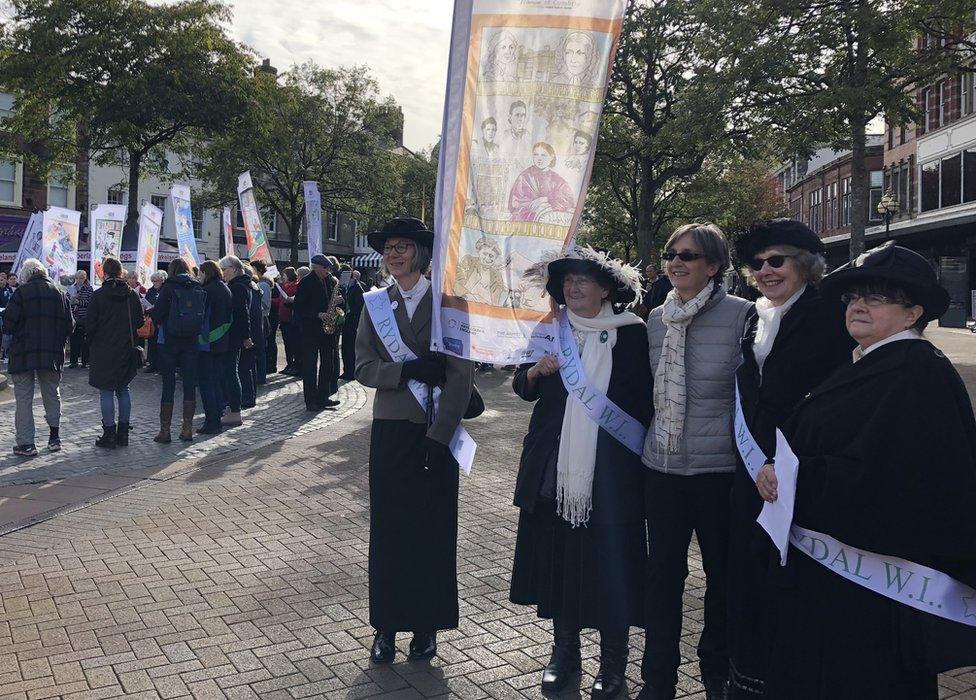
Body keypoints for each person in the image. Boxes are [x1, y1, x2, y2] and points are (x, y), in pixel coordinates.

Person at [756, 241, 976, 698]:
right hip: (836, 583)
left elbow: (898, 481)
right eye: (853, 296)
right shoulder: (869, 363)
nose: (858, 305)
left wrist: (796, 477)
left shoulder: (917, 375)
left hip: (874, 597)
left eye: (876, 297)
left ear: (913, 313)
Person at [511, 247, 651, 698]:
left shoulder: (632, 334)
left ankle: (613, 666)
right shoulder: (551, 329)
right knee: (561, 565)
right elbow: (521, 387)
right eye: (567, 281)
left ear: (607, 289)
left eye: (583, 281)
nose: (573, 287)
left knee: (611, 569)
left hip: (611, 475)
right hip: (557, 471)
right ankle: (564, 653)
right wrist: (534, 372)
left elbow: (644, 405)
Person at [725, 220, 852, 699]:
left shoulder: (827, 316)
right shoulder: (757, 316)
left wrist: (787, 460)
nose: (764, 270)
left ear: (805, 263)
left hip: (794, 467)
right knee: (751, 575)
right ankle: (751, 678)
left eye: (776, 260)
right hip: (750, 467)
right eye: (757, 264)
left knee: (790, 581)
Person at [638, 223, 752, 700]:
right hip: (662, 471)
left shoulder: (744, 316)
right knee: (662, 581)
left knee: (723, 581)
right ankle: (657, 679)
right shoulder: (655, 320)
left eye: (689, 255)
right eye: (671, 254)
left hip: (719, 475)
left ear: (714, 266)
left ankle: (716, 673)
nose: (677, 262)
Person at [355, 217, 474, 664]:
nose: (393, 254)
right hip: (390, 432)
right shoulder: (375, 304)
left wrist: (441, 435)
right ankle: (385, 626)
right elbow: (363, 367)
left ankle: (427, 626)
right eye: (388, 247)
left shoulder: (451, 305)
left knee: (433, 531)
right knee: (389, 531)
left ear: (421, 254)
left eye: (403, 246)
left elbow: (462, 379)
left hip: (435, 434)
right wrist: (403, 370)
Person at [4, 258, 74, 456]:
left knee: (24, 399)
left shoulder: (21, 293)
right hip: (51, 354)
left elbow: (8, 325)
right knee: (52, 393)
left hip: (24, 353)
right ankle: (54, 437)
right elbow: (71, 326)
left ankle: (26, 444)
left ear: (26, 276)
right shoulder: (60, 293)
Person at [85, 256, 143, 449]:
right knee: (123, 389)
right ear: (121, 273)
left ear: (106, 273)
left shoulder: (99, 295)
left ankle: (109, 433)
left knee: (106, 391)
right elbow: (139, 322)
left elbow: (90, 324)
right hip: (125, 347)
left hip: (103, 349)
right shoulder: (131, 295)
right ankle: (123, 433)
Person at [150, 258, 206, 443]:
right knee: (189, 384)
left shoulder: (168, 288)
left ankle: (165, 432)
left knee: (168, 385)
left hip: (169, 342)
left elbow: (157, 314)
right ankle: (187, 429)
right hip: (191, 341)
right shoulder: (198, 287)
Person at [294, 254, 342, 411]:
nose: (328, 271)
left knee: (328, 364)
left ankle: (323, 396)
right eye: (325, 268)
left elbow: (332, 299)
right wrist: (317, 314)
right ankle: (311, 400)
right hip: (310, 330)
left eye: (329, 268)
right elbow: (299, 308)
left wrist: (339, 301)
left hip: (327, 331)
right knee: (310, 366)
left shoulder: (330, 281)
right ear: (316, 267)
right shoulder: (306, 283)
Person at [196, 260, 233, 435]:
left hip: (207, 343)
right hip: (222, 341)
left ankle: (212, 421)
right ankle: (217, 416)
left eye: (200, 273)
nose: (198, 276)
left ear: (205, 273)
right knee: (217, 382)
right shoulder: (225, 288)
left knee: (206, 383)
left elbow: (202, 317)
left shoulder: (207, 291)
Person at [219, 255, 252, 428]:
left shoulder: (238, 287)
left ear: (233, 269)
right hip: (234, 335)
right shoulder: (240, 285)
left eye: (224, 270)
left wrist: (246, 336)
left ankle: (234, 411)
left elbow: (242, 313)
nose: (222, 273)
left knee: (231, 373)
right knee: (231, 372)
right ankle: (232, 409)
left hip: (233, 336)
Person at [509, 142, 576, 222]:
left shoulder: (557, 180)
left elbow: (568, 200)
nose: (539, 158)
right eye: (536, 154)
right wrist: (532, 204)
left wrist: (546, 199)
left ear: (551, 157)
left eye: (543, 155)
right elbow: (515, 201)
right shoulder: (524, 176)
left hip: (549, 222)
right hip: (524, 220)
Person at [238, 264, 263, 409]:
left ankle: (248, 398)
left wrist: (246, 336)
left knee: (245, 367)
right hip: (255, 332)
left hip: (250, 334)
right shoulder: (254, 287)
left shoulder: (248, 288)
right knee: (250, 367)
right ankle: (250, 396)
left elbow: (246, 313)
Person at [340, 269, 365, 380]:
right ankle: (346, 370)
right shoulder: (346, 288)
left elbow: (360, 307)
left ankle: (351, 372)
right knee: (345, 347)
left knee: (350, 348)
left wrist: (350, 313)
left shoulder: (357, 288)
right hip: (346, 321)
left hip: (352, 322)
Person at [251, 259, 273, 383]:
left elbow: (265, 304)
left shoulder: (263, 284)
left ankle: (261, 377)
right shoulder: (258, 283)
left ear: (258, 270)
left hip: (262, 319)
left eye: (252, 268)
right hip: (259, 319)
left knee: (260, 349)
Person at [66, 270, 93, 368]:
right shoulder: (71, 288)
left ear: (85, 278)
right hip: (74, 317)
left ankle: (85, 361)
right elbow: (66, 301)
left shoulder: (89, 289)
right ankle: (73, 361)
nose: (79, 280)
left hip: (84, 317)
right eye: (77, 278)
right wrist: (71, 301)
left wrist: (79, 302)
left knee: (84, 341)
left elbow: (90, 303)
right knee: (74, 341)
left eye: (81, 278)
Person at [276, 267, 301, 375]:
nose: (283, 277)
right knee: (287, 344)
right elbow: (280, 300)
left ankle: (294, 364)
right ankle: (289, 364)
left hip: (290, 319)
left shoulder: (295, 286)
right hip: (283, 318)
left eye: (284, 275)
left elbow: (290, 299)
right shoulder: (285, 286)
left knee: (292, 344)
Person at [143, 271, 166, 373]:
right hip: (152, 320)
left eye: (156, 281)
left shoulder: (165, 290)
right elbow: (147, 303)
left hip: (162, 321)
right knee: (152, 343)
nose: (154, 283)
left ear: (162, 280)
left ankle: (161, 366)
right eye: (153, 281)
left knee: (161, 344)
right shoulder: (151, 291)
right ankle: (152, 364)